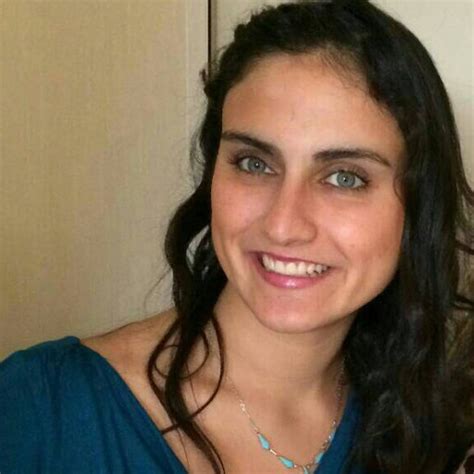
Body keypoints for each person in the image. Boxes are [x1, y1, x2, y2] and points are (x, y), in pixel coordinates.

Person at [1, 1, 473, 473]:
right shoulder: (40, 412)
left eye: (344, 177)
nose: (283, 225)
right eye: (254, 163)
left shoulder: (422, 429)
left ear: (419, 208)